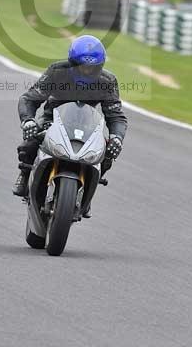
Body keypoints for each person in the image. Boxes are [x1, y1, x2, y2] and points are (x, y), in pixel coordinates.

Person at [13, 34, 128, 213]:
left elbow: (116, 115)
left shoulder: (107, 81)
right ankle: (25, 172)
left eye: (92, 68)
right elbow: (30, 98)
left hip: (88, 124)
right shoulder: (57, 71)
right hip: (53, 118)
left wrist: (117, 138)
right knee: (30, 141)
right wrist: (28, 120)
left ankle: (88, 190)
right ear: (72, 62)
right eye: (82, 67)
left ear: (100, 67)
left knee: (108, 152)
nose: (87, 71)